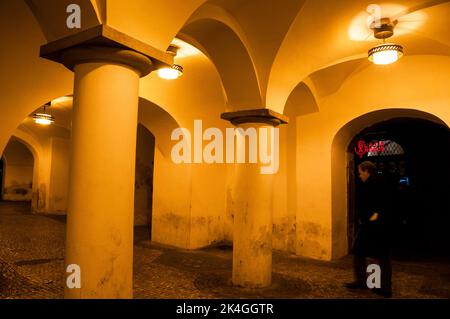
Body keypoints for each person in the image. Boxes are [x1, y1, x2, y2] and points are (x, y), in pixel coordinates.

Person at [345, 161, 393, 298]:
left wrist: (375, 215)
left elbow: (383, 203)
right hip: (371, 225)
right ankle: (365, 282)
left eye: (360, 172)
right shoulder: (373, 182)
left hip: (377, 227)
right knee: (361, 253)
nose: (359, 176)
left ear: (367, 171)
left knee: (382, 256)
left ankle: (384, 288)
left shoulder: (377, 183)